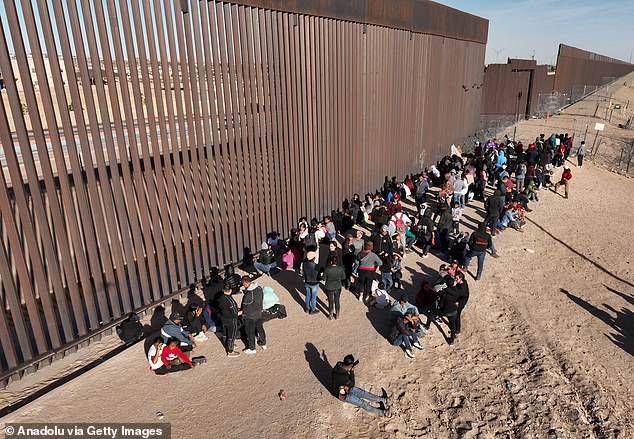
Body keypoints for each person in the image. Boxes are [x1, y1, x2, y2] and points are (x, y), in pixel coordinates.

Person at [241, 276, 266, 354]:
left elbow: (245, 307)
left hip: (250, 316)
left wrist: (241, 312)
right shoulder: (259, 288)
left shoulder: (248, 295)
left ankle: (252, 348)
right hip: (258, 312)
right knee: (260, 328)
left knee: (250, 332)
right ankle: (263, 343)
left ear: (245, 283)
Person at [217, 285, 241, 357]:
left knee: (225, 332)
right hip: (231, 319)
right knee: (232, 334)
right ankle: (230, 350)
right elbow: (235, 314)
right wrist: (243, 311)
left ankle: (227, 344)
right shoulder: (230, 301)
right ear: (230, 290)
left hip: (223, 318)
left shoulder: (221, 298)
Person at [323, 255, 346, 320]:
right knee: (337, 300)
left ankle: (331, 314)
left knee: (330, 301)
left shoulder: (327, 269)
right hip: (338, 286)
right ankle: (337, 314)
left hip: (329, 287)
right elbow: (343, 277)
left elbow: (324, 278)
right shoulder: (340, 269)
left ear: (330, 261)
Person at [453, 272, 470, 337]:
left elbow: (462, 296)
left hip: (460, 304)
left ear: (461, 278)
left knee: (457, 316)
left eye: (457, 278)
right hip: (461, 302)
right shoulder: (463, 283)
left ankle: (457, 330)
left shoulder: (462, 288)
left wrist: (458, 302)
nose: (455, 279)